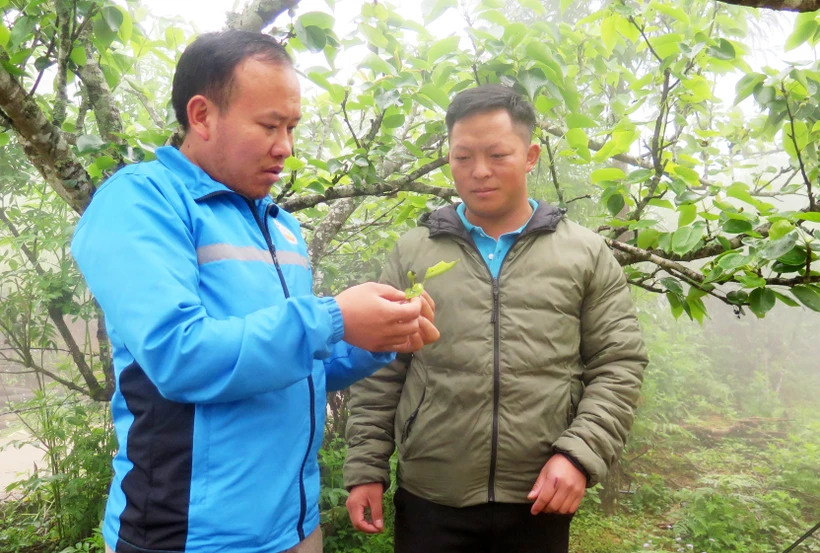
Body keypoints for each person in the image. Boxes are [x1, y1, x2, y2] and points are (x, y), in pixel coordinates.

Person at [71, 31, 437, 553]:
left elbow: (292, 369)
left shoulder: (280, 225)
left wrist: (377, 340)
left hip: (292, 526)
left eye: (291, 127)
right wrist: (334, 318)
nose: (285, 145)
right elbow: (181, 355)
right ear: (201, 115)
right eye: (269, 125)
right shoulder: (140, 202)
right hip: (190, 536)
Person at [343, 84, 648, 553]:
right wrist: (366, 468)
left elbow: (619, 363)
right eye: (463, 157)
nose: (479, 172)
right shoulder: (415, 252)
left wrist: (577, 456)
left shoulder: (583, 252)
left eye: (497, 154)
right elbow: (380, 368)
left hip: (540, 494)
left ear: (530, 156)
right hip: (430, 495)